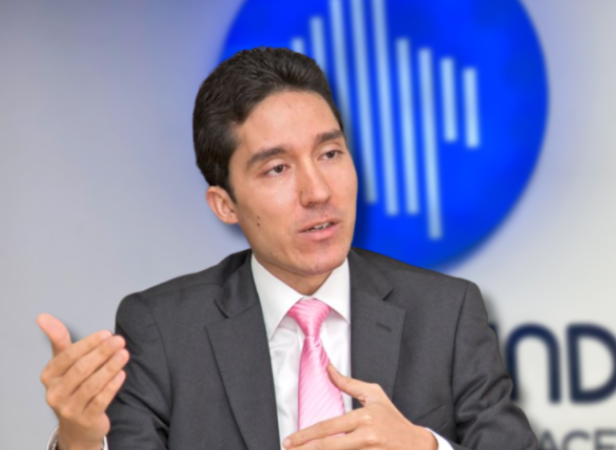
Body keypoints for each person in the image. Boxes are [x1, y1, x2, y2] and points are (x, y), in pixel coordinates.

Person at [37, 47, 537, 450]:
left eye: (330, 153)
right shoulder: (164, 331)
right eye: (277, 168)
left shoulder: (446, 313)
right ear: (225, 205)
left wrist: (424, 447)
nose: (318, 191)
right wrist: (81, 439)